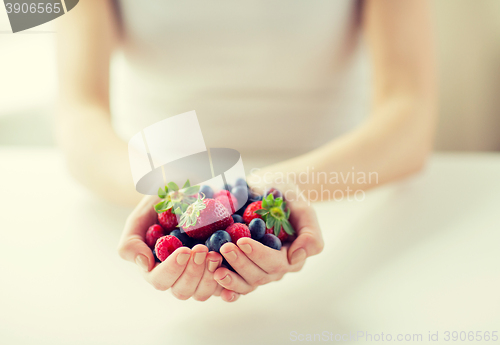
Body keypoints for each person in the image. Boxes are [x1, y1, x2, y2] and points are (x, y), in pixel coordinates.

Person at [56, 0, 437, 302]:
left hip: (337, 191)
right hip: (149, 180)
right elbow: (78, 112)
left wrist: (280, 187)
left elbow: (409, 114)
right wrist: (164, 190)